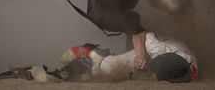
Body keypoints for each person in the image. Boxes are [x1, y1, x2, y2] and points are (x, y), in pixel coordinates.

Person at [61, 31, 198, 83]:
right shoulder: (156, 49)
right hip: (150, 46)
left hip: (170, 50)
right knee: (111, 68)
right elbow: (138, 31)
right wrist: (141, 54)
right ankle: (92, 52)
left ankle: (89, 67)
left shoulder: (190, 67)